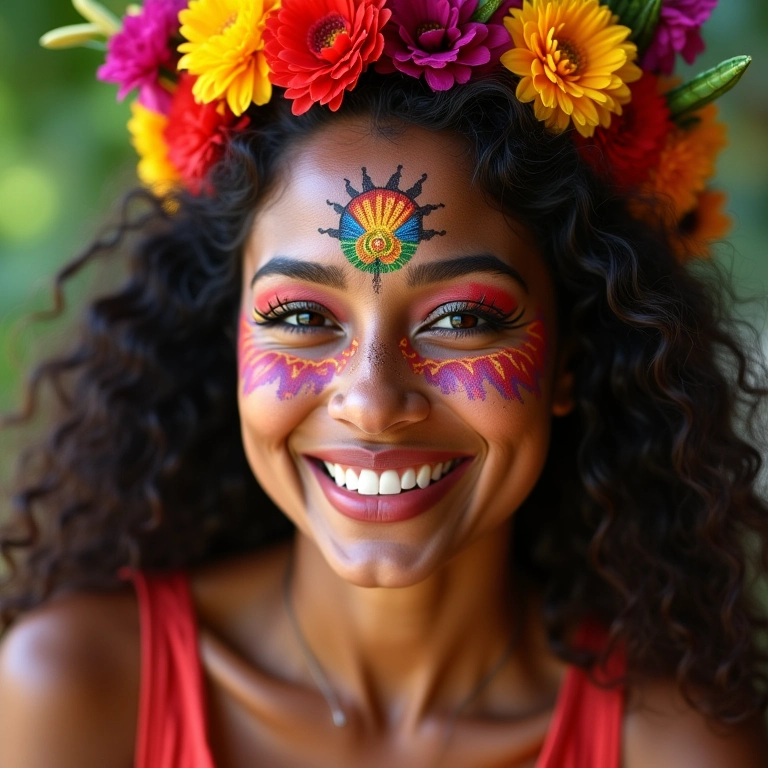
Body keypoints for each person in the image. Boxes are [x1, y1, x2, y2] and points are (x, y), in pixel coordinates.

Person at [1, 0, 767, 765]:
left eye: (462, 319)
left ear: (571, 356)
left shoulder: (675, 748)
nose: (371, 401)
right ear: (227, 339)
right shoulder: (81, 690)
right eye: (301, 317)